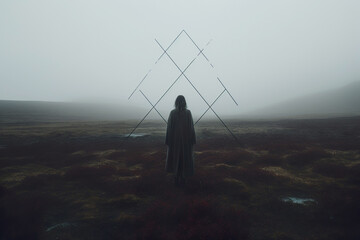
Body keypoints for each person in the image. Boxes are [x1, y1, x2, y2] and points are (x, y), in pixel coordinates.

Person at [165, 95, 196, 186]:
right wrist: (192, 140)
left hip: (175, 142)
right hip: (185, 143)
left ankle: (176, 178)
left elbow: (169, 129)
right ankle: (182, 178)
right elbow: (191, 128)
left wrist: (168, 141)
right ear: (184, 102)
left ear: (176, 102)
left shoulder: (173, 113)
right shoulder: (187, 113)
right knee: (184, 160)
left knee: (175, 160)